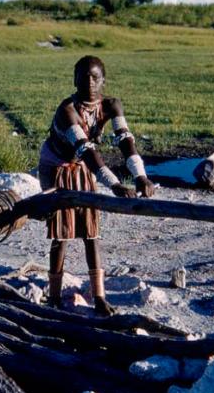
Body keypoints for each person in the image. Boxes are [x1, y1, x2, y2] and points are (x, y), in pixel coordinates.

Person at [38, 55, 155, 316]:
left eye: (95, 77)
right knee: (62, 231)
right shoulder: (67, 110)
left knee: (91, 232)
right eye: (84, 76)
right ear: (74, 79)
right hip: (56, 167)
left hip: (82, 166)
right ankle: (54, 297)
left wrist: (140, 176)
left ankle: (99, 296)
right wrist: (114, 184)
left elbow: (126, 141)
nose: (90, 82)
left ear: (104, 80)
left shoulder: (111, 105)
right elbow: (86, 150)